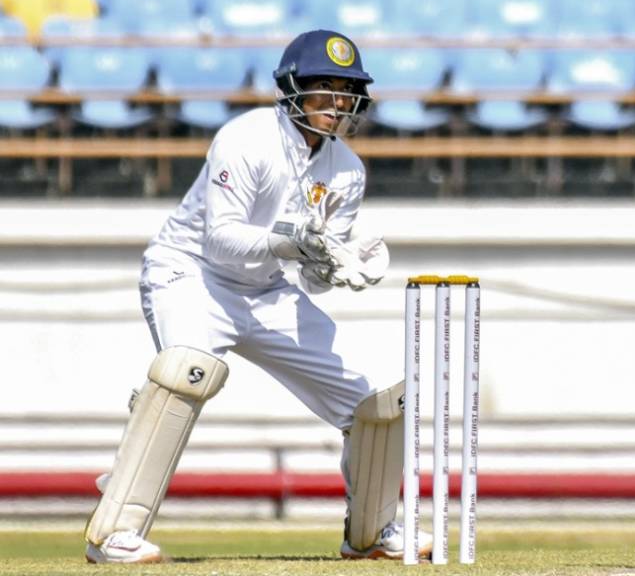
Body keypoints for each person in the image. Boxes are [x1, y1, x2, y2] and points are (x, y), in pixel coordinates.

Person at [83, 30, 428, 564]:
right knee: (187, 372)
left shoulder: (347, 170)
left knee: (379, 401)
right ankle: (115, 534)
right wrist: (293, 243)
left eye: (346, 91)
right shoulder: (245, 140)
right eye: (324, 89)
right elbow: (221, 240)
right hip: (191, 273)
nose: (336, 105)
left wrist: (336, 267)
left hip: (268, 290)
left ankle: (372, 534)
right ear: (292, 88)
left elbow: (309, 279)